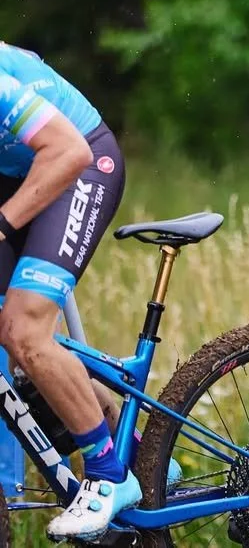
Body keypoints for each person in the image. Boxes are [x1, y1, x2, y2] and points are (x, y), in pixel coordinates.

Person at [0, 42, 138, 541]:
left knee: (24, 329)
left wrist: (1, 224)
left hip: (78, 159)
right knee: (19, 345)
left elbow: (68, 151)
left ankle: (108, 474)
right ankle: (137, 446)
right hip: (22, 168)